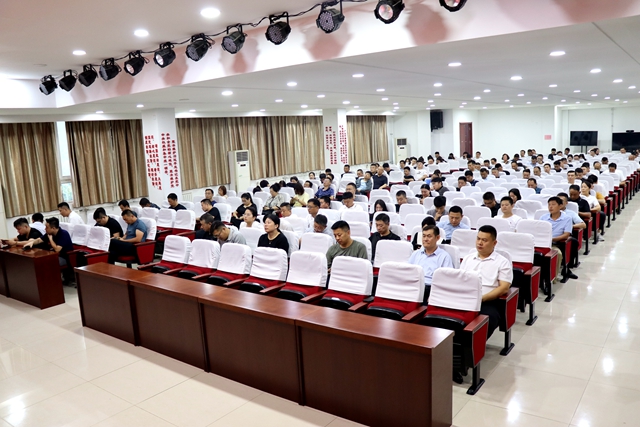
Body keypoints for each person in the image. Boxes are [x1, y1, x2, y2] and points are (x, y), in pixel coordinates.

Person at [460, 225, 513, 339]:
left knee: (489, 318)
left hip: (488, 301)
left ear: (494, 243)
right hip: (465, 298)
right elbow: (459, 280)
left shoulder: (502, 262)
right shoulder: (468, 258)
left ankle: (472, 346)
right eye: (478, 239)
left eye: (484, 240)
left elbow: (504, 287)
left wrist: (481, 298)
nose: (480, 243)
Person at [409, 225, 454, 303]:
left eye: (429, 236)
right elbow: (408, 272)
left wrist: (435, 293)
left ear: (437, 238)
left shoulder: (444, 256)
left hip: (430, 288)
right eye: (424, 236)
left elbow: (448, 280)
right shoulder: (416, 254)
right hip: (413, 286)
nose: (425, 239)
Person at [24, 217, 75, 283]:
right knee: (40, 262)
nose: (45, 229)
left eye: (47, 227)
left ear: (53, 228)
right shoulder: (50, 233)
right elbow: (39, 240)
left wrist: (51, 239)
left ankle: (52, 283)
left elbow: (57, 249)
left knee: (47, 263)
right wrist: (32, 242)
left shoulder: (63, 234)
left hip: (65, 257)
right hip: (55, 256)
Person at [540, 197, 577, 282]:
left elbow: (566, 234)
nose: (550, 207)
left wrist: (553, 239)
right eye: (549, 205)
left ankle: (552, 279)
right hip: (543, 243)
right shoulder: (543, 217)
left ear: (560, 206)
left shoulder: (567, 218)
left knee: (558, 254)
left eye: (553, 204)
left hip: (555, 244)